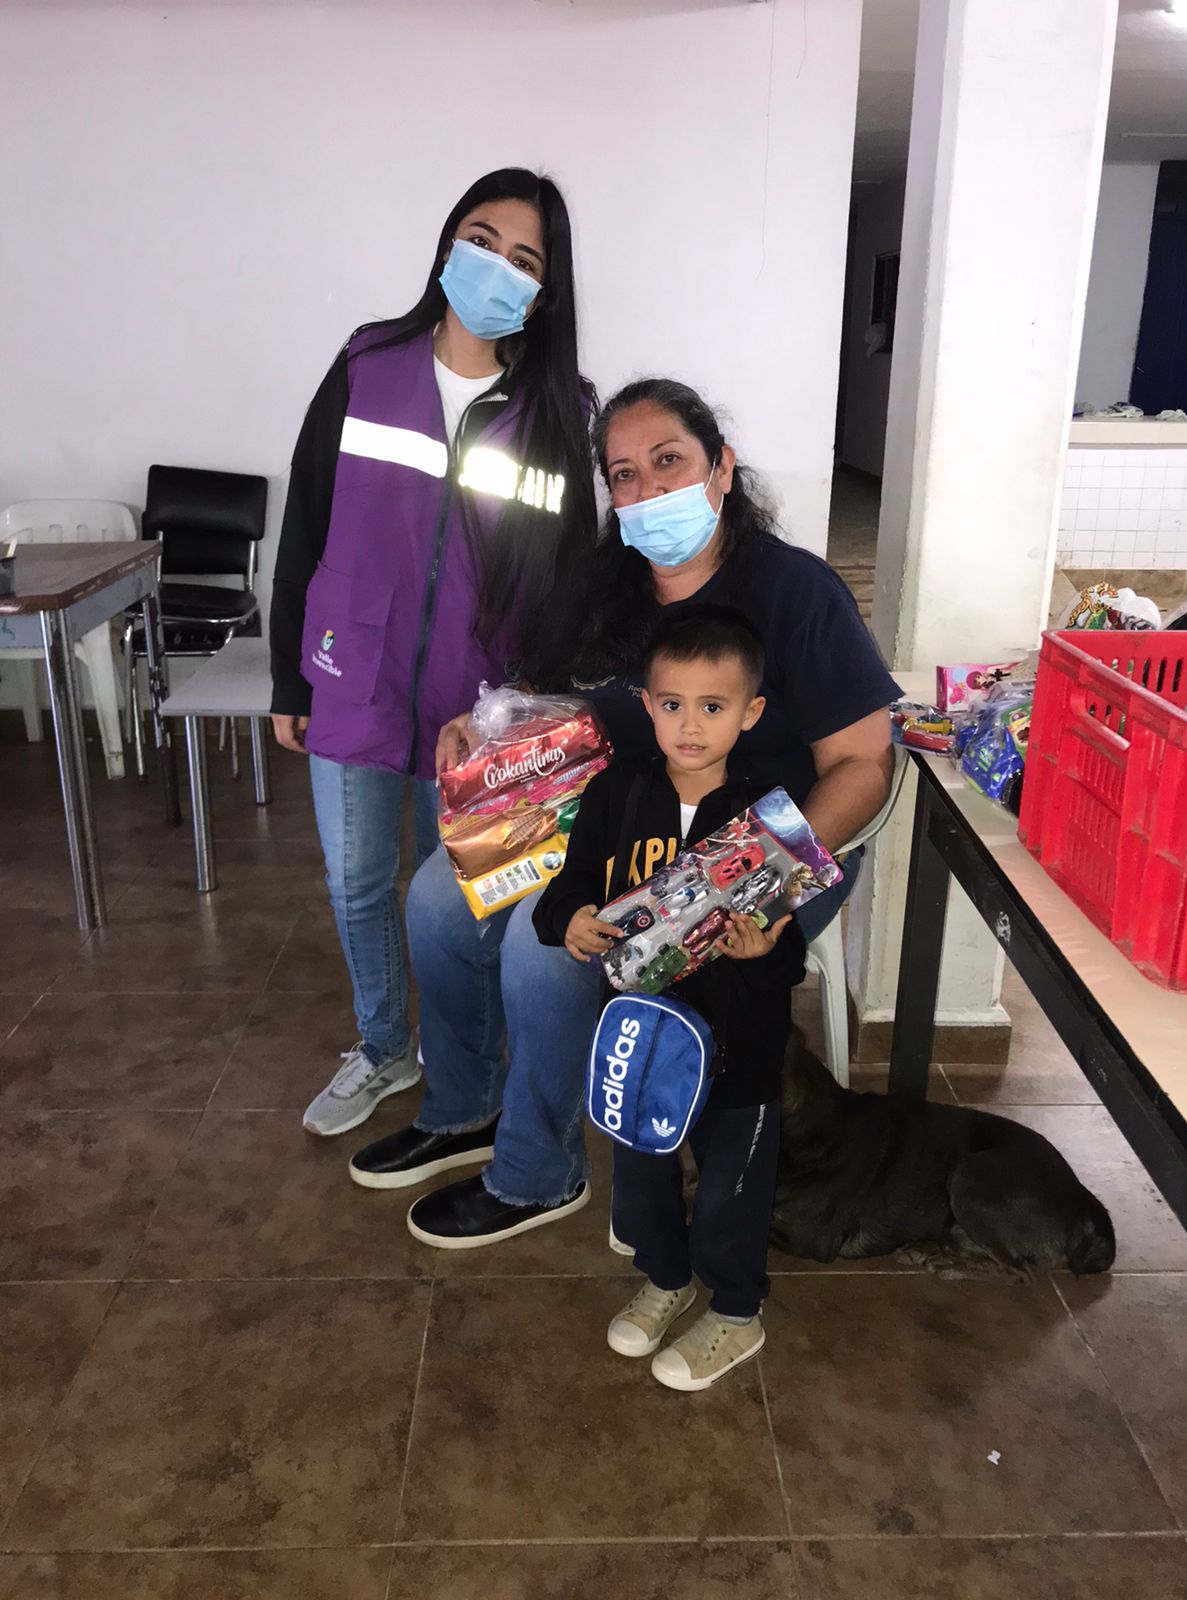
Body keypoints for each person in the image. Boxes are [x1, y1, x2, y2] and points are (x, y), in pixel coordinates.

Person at [350, 376, 900, 1248]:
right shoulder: (604, 588)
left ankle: (539, 1173)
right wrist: (486, 728)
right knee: (437, 902)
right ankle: (466, 1109)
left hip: (761, 849)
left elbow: (865, 764)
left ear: (722, 470)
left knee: (543, 949)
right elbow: (552, 699)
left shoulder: (796, 593)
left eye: (669, 461)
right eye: (625, 474)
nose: (647, 489)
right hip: (614, 822)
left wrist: (748, 877)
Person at [269, 168, 596, 1137]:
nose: (497, 267)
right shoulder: (368, 362)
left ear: (544, 292)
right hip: (354, 672)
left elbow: (567, 573)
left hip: (477, 698)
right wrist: (290, 673)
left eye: (525, 260)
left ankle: (470, 1071)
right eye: (483, 240)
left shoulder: (557, 412)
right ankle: (382, 1047)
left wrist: (531, 704)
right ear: (450, 241)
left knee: (461, 899)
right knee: (358, 880)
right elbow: (306, 518)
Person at [533, 609, 807, 1391]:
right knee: (643, 1170)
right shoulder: (616, 793)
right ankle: (666, 1277)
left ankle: (737, 1309)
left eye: (713, 706)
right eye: (673, 704)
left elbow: (789, 944)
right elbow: (570, 887)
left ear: (750, 712)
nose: (690, 726)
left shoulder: (768, 816)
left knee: (730, 1188)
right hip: (642, 1039)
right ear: (647, 705)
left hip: (739, 1046)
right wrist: (570, 921)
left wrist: (766, 951)